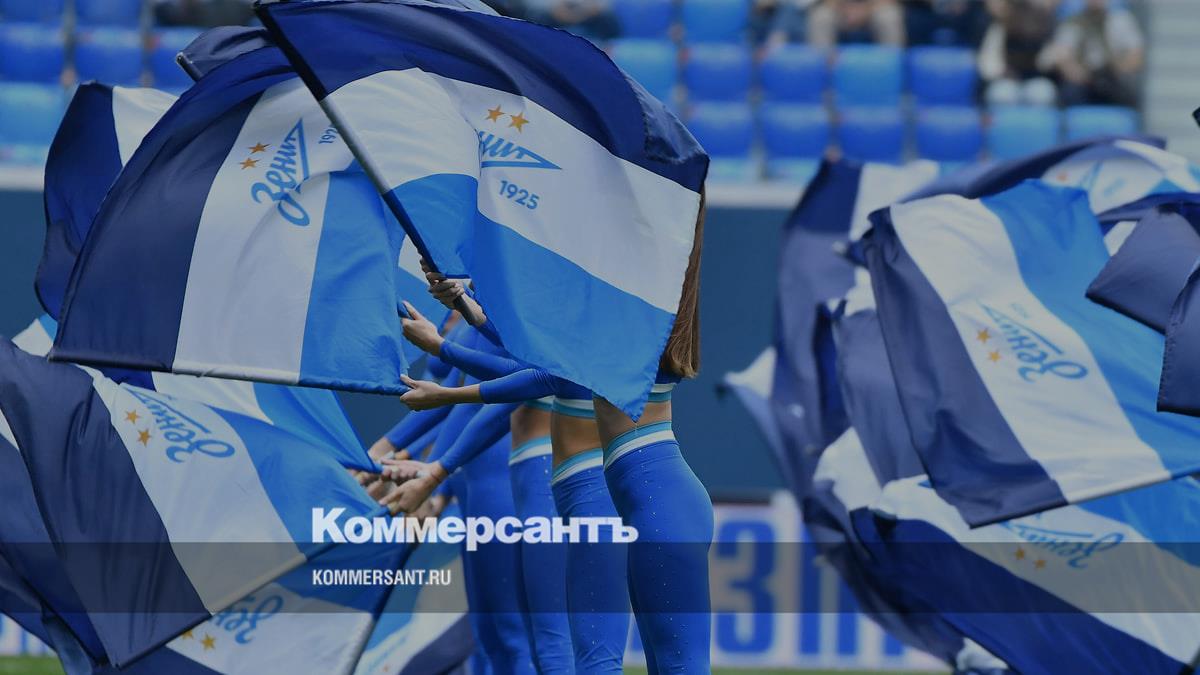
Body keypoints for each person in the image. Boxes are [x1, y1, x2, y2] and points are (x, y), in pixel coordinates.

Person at [395, 199, 714, 673]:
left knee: (624, 661)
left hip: (648, 496)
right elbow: (536, 354)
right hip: (639, 492)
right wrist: (464, 303)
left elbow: (552, 376)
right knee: (590, 658)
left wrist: (448, 379)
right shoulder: (632, 306)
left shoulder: (632, 309)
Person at [1038, 0, 1144, 106]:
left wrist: (1116, 69)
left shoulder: (1121, 20)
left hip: (1113, 78)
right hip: (1084, 80)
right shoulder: (1074, 22)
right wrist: (1077, 73)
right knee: (1069, 94)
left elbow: (1136, 56)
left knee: (1129, 94)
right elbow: (1061, 54)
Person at [978, 0, 1059, 106]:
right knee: (1002, 93)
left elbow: (1048, 61)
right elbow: (988, 62)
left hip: (1035, 79)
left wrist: (1044, 62)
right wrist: (1002, 72)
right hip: (1005, 80)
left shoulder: (1046, 27)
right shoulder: (1000, 27)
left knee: (1042, 92)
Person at [806, 0, 906, 48]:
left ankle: (891, 67)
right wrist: (845, 9)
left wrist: (866, 10)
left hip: (875, 9)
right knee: (821, 17)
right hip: (841, 9)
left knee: (889, 17)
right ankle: (823, 70)